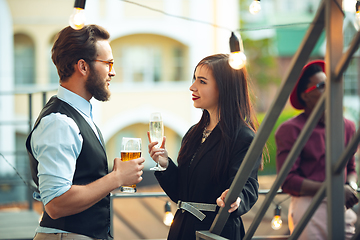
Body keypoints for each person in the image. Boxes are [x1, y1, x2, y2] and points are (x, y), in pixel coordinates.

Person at [25, 25, 145, 240]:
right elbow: (56, 203)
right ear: (83, 66)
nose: (113, 72)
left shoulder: (78, 116)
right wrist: (117, 178)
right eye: (108, 63)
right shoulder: (59, 122)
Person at [147, 54, 262, 240]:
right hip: (182, 230)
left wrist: (235, 198)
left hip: (215, 231)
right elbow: (180, 193)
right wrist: (164, 164)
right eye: (194, 80)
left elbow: (248, 185)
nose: (193, 87)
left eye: (202, 81)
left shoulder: (243, 137)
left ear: (224, 88)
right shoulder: (193, 133)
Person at [275, 60, 358, 240]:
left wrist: (350, 187)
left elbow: (350, 168)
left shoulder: (348, 126)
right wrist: (335, 189)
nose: (329, 89)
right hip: (308, 207)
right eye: (322, 86)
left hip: (342, 203)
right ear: (305, 96)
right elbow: (288, 180)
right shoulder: (291, 129)